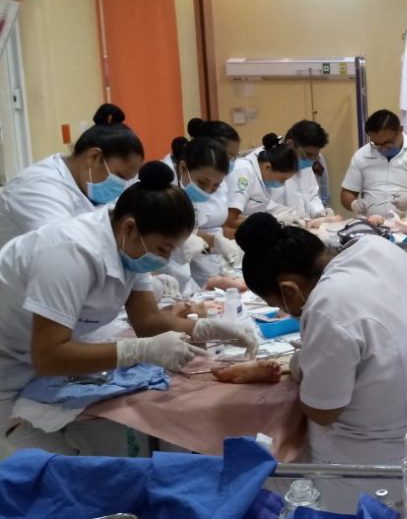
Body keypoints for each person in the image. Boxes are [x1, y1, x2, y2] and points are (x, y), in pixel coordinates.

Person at [0, 162, 257, 456]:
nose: (164, 261)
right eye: (163, 249)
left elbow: (148, 321)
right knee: (41, 468)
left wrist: (209, 328)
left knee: (94, 449)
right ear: (129, 227)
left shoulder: (128, 247)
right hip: (8, 370)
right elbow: (48, 355)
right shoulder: (69, 253)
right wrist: (139, 350)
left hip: (41, 364)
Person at [235, 213, 407, 512]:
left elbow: (323, 412)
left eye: (279, 305)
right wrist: (308, 359)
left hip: (369, 471)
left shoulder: (328, 305)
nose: (287, 312)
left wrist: (301, 368)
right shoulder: (381, 249)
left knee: (252, 479)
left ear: (289, 289)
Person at [0, 104, 143, 249]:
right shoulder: (38, 186)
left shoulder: (89, 183)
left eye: (126, 180)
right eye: (119, 177)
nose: (120, 187)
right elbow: (64, 248)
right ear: (94, 157)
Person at [340, 109, 407, 218]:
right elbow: (347, 193)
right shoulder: (362, 155)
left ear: (400, 130)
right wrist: (353, 204)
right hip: (371, 224)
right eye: (376, 144)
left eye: (388, 143)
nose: (382, 149)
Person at [163, 136, 233, 293]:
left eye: (216, 186)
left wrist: (216, 241)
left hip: (182, 278)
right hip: (160, 277)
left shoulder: (190, 192)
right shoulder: (161, 195)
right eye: (202, 183)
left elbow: (192, 232)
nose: (207, 191)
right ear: (183, 168)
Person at [224, 134, 300, 232]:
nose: (282, 184)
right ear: (267, 167)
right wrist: (274, 222)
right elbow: (230, 220)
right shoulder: (243, 172)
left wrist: (292, 215)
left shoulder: (261, 177)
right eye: (282, 179)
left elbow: (262, 204)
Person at [271, 120, 331, 219]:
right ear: (290, 144)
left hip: (303, 224)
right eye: (308, 155)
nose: (311, 160)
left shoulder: (304, 162)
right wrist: (285, 219)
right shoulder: (264, 164)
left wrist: (319, 212)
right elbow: (259, 206)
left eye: (315, 156)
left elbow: (312, 196)